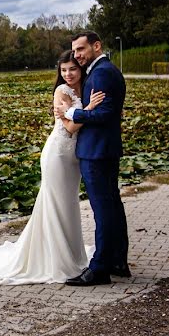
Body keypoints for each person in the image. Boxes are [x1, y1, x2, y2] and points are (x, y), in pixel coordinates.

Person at [0, 51, 104, 285]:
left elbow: (78, 122)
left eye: (73, 69)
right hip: (58, 154)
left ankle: (71, 253)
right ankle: (56, 259)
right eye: (64, 70)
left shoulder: (83, 89)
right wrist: (89, 109)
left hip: (73, 157)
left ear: (80, 70)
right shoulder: (62, 92)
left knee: (68, 205)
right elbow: (69, 127)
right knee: (55, 204)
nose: (68, 74)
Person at [56, 31, 130, 286]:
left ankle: (100, 269)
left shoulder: (102, 73)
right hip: (102, 149)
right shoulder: (101, 71)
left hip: (97, 152)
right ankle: (117, 260)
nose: (77, 55)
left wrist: (73, 112)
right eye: (74, 51)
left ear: (96, 46)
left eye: (81, 49)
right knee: (111, 207)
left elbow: (106, 114)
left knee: (103, 210)